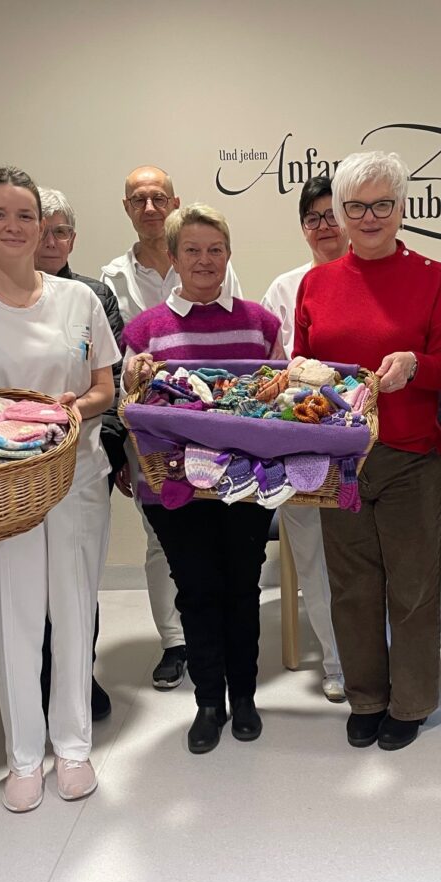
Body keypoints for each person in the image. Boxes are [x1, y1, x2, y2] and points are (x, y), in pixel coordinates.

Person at [0, 166, 120, 813]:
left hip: (74, 477)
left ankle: (72, 747)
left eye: (26, 216)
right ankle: (22, 758)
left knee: (73, 612)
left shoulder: (79, 301)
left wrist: (74, 407)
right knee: (11, 620)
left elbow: (104, 389)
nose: (14, 226)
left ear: (43, 227)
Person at [295, 151, 441, 752]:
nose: (369, 217)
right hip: (341, 462)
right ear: (340, 213)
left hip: (409, 457)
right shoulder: (317, 284)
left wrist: (416, 366)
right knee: (352, 582)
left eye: (382, 204)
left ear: (401, 209)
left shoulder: (432, 278)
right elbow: (303, 369)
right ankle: (366, 694)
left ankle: (412, 700)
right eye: (356, 206)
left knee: (413, 585)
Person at [122, 203, 283, 754]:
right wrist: (133, 381)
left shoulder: (262, 324)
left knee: (242, 587)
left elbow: (279, 403)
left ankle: (245, 699)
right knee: (196, 591)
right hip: (174, 487)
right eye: (191, 249)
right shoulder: (145, 331)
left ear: (229, 254)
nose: (205, 260)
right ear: (172, 257)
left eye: (215, 249)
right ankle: (208, 702)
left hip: (247, 482)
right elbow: (134, 408)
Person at [102, 165, 242, 691]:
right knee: (162, 538)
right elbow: (118, 367)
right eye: (138, 199)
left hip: (216, 434)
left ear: (174, 202)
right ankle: (175, 641)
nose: (149, 207)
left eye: (158, 197)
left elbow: (241, 346)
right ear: (127, 208)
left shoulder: (213, 263)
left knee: (223, 539)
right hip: (153, 437)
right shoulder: (113, 279)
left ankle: (220, 637)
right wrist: (122, 449)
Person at [34, 186, 124, 722]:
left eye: (61, 231)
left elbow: (110, 382)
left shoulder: (93, 296)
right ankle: (39, 680)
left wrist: (109, 443)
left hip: (84, 461)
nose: (51, 240)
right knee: (29, 585)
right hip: (17, 472)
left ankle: (78, 677)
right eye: (42, 229)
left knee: (78, 582)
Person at [260, 175, 348, 703]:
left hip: (359, 449)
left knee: (364, 560)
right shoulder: (283, 288)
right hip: (298, 449)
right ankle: (335, 660)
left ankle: (370, 651)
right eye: (313, 218)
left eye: (332, 214)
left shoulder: (373, 278)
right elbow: (268, 374)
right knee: (313, 557)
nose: (324, 226)